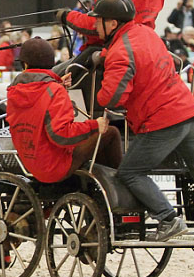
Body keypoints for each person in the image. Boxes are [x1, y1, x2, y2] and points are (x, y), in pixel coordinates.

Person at [93, 0, 194, 241]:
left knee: (130, 172)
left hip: (163, 120)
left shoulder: (120, 52)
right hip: (190, 112)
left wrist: (103, 72)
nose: (95, 25)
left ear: (112, 23)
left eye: (98, 20)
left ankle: (168, 219)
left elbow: (111, 98)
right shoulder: (146, 33)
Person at [7, 37, 121, 184]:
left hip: (30, 163)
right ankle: (120, 184)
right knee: (110, 132)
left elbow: (37, 101)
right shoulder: (54, 91)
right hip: (55, 167)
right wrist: (94, 125)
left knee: (94, 139)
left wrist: (57, 84)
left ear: (25, 64)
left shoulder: (13, 91)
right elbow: (61, 135)